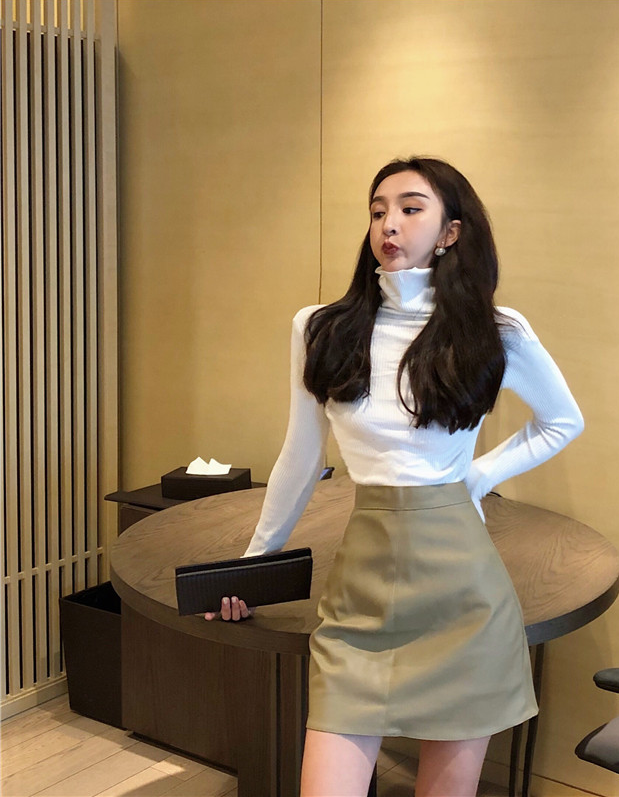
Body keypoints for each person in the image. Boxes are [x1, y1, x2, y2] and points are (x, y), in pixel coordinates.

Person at [206, 157, 584, 797]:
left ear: (450, 232)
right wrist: (253, 563)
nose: (389, 223)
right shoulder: (321, 327)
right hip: (360, 597)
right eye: (378, 210)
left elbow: (562, 421)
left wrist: (473, 478)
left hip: (464, 598)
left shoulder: (495, 331)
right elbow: (301, 456)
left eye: (411, 209)